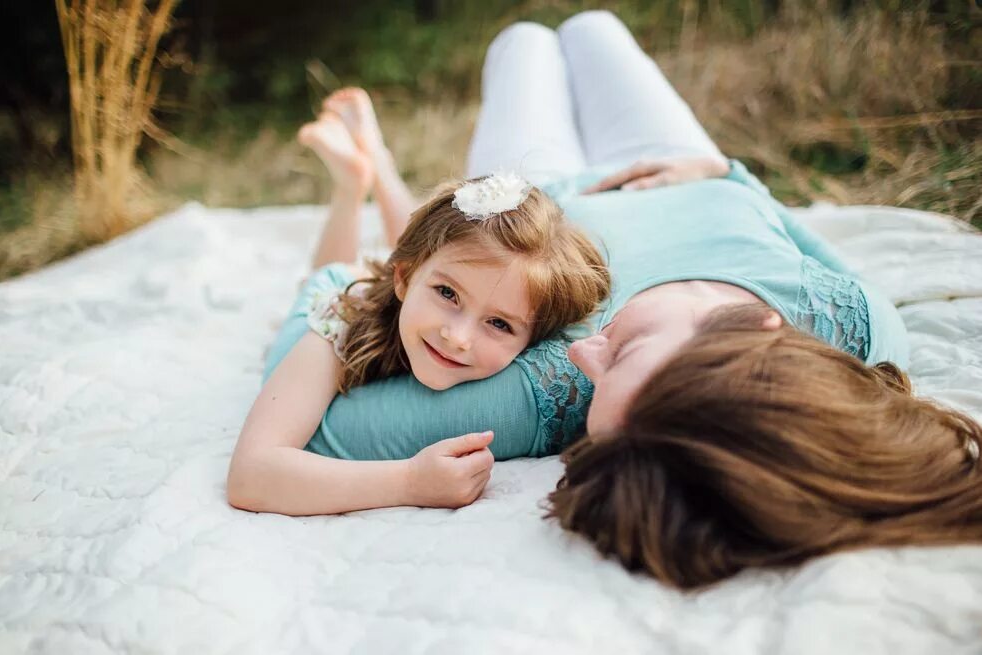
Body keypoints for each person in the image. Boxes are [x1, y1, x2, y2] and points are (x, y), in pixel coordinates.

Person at [230, 9, 982, 583]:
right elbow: (793, 237)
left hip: (525, 203)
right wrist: (729, 174)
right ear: (760, 329)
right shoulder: (859, 329)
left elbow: (321, 403)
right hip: (674, 171)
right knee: (592, 27)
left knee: (522, 39)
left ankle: (372, 174)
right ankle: (382, 172)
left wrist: (405, 477)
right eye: (624, 350)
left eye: (601, 368)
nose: (585, 349)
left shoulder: (538, 387)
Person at [225, 95, 610, 516]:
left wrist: (447, 291)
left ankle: (376, 162)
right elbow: (251, 475)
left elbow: (446, 273)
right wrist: (409, 481)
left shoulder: (464, 298)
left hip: (406, 279)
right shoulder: (337, 326)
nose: (457, 337)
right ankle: (352, 185)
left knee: (442, 254)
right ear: (403, 279)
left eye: (499, 324)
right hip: (338, 297)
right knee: (332, 270)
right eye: (448, 296)